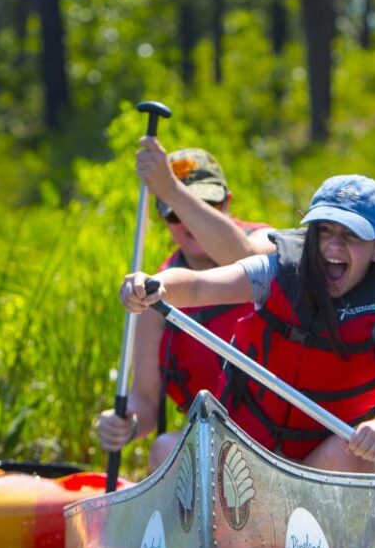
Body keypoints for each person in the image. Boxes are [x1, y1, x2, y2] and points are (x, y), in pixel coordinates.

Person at [119, 174, 375, 473]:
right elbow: (198, 286)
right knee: (165, 450)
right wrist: (155, 284)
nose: (334, 245)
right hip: (248, 452)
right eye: (325, 230)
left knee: (351, 454)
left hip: (322, 469)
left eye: (351, 235)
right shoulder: (278, 270)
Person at [93, 145, 271, 471]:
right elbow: (145, 402)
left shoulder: (267, 242)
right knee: (164, 447)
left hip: (280, 437)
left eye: (206, 204)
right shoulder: (153, 293)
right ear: (162, 216)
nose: (188, 221)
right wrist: (124, 423)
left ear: (227, 202)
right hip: (215, 441)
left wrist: (172, 191)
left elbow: (244, 259)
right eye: (175, 211)